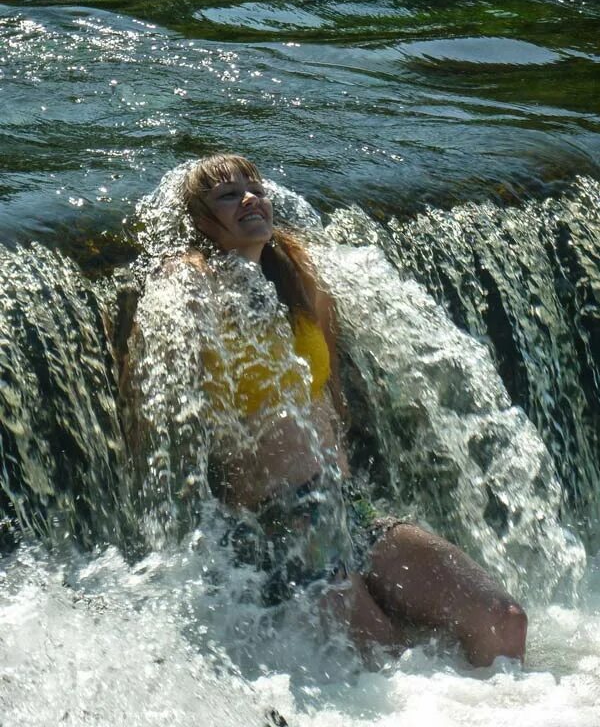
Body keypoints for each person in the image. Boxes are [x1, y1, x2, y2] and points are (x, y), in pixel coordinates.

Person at [127, 153, 527, 667]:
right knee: (388, 662)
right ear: (201, 221)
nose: (250, 198)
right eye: (227, 195)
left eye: (255, 188)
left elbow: (330, 397)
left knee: (502, 620)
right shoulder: (189, 285)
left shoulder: (299, 279)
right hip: (277, 527)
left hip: (347, 509)